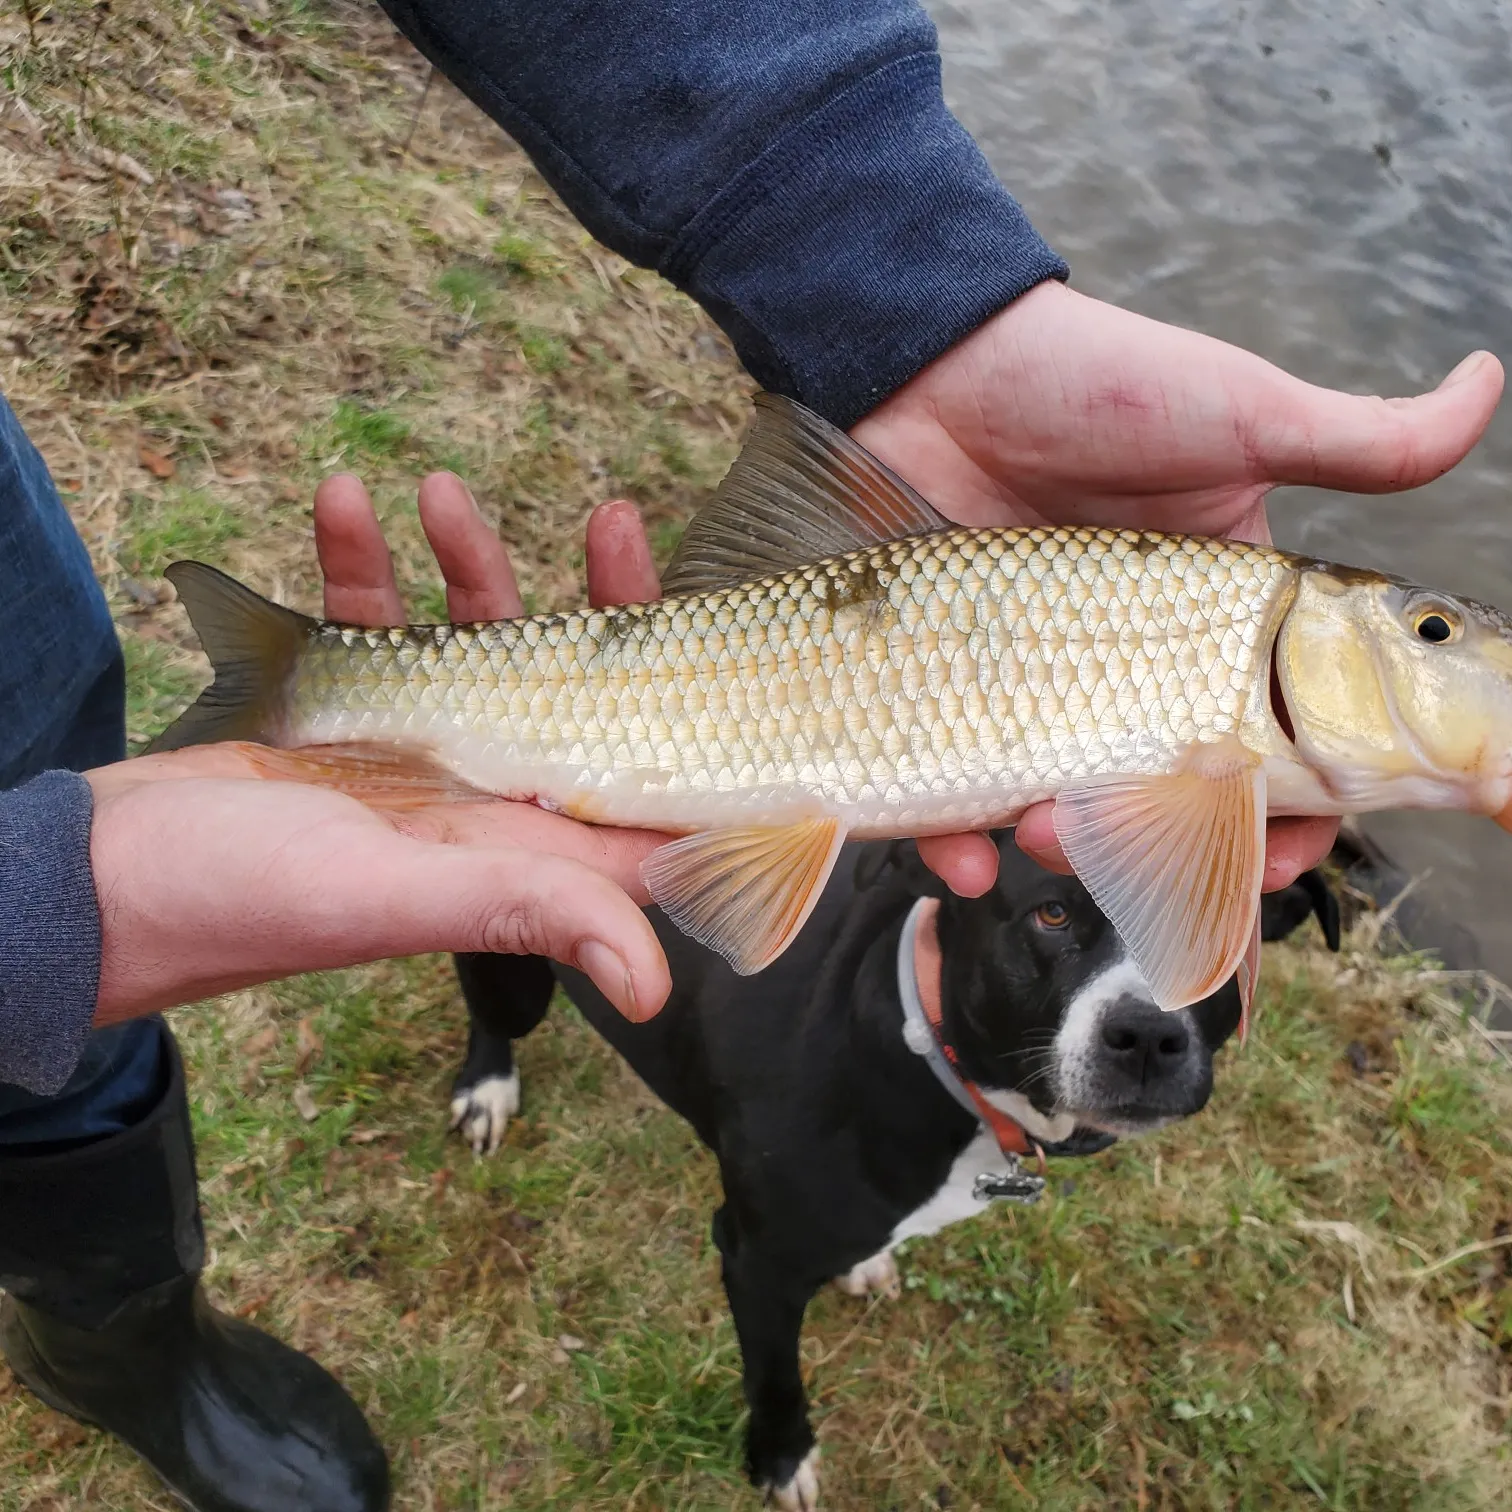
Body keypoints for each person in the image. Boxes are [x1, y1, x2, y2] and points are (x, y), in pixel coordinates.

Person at [0, 1, 1500, 1510]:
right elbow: (1182, 900)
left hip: (779, 685)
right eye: (1432, 629)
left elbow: (1176, 895)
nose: (1448, 650)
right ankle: (119, 1311)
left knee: (46, 727)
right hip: (750, 678)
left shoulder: (1232, 741)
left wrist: (938, 316)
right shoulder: (1223, 704)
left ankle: (104, 1278)